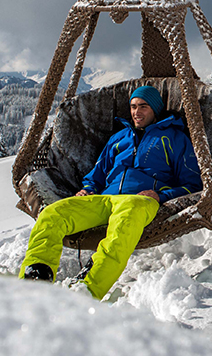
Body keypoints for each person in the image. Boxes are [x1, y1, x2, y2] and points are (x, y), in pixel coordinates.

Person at [18, 85, 202, 300]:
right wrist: (88, 189)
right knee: (53, 213)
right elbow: (97, 172)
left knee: (122, 227)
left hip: (140, 200)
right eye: (133, 106)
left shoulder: (174, 138)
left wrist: (161, 196)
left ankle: (87, 289)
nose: (136, 111)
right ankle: (35, 278)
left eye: (143, 106)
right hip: (105, 198)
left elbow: (193, 184)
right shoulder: (119, 138)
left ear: (156, 109)